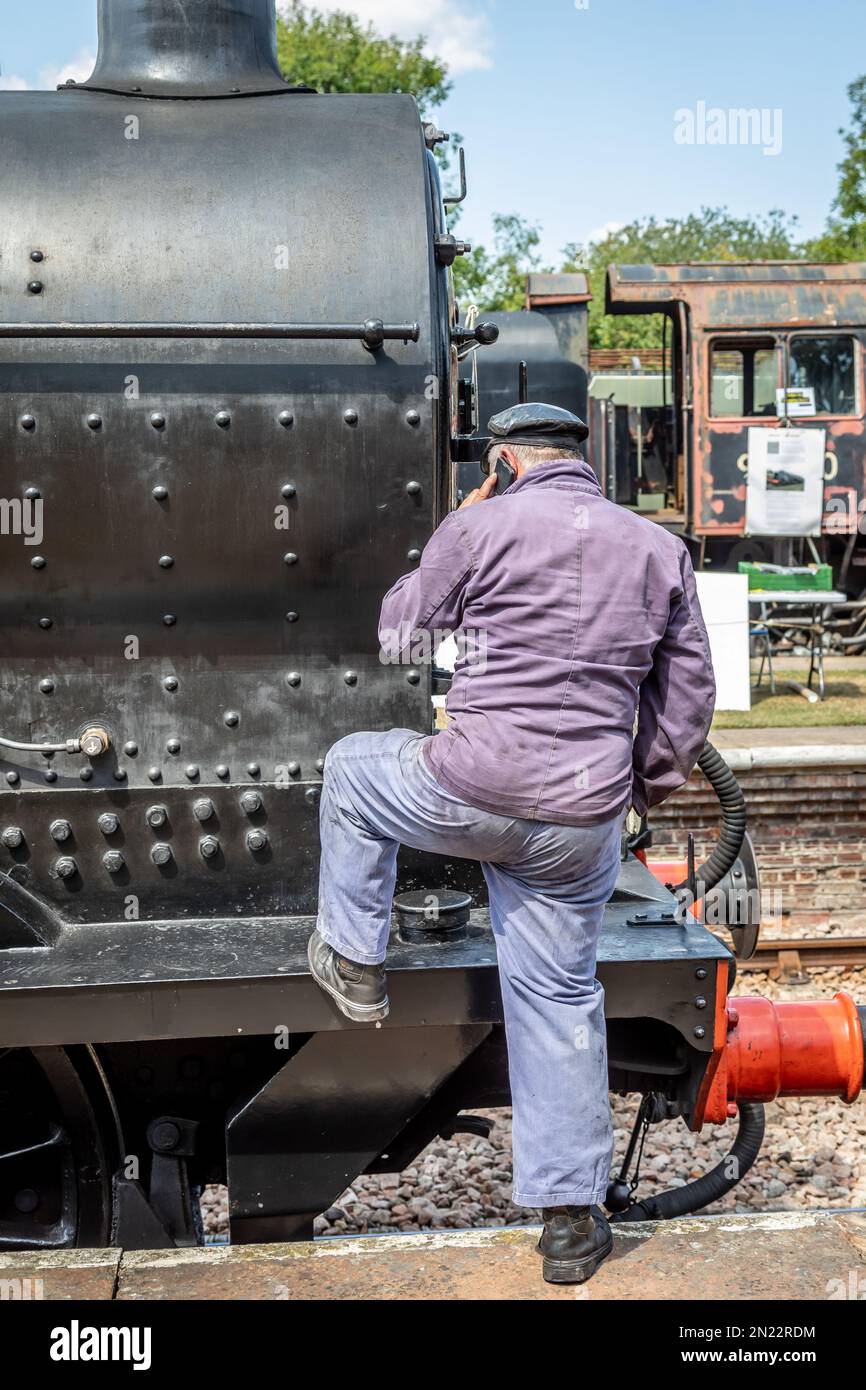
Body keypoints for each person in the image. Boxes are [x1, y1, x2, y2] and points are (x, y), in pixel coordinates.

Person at [308, 403, 716, 1285]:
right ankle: (572, 1223)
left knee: (351, 769)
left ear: (504, 461)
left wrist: (462, 523)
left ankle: (355, 962)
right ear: (584, 462)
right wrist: (635, 788)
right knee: (560, 999)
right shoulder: (656, 547)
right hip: (582, 825)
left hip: (470, 791)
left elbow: (399, 638)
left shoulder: (481, 524)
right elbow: (687, 707)